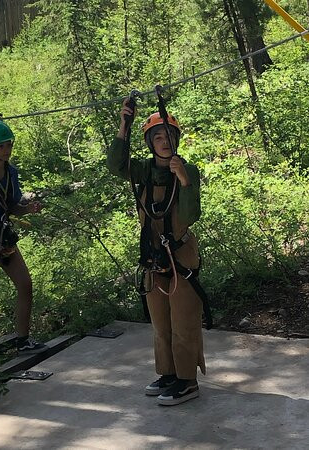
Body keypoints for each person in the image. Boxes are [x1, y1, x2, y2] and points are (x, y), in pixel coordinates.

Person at [106, 99, 209, 406]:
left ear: (176, 140)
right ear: (151, 143)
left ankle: (187, 380)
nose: (165, 142)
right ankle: (167, 373)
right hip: (153, 256)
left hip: (181, 258)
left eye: (169, 136)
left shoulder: (187, 169)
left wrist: (184, 180)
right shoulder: (142, 170)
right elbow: (116, 166)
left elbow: (190, 215)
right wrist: (124, 125)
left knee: (183, 321)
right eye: (159, 138)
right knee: (160, 322)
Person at [0, 120, 47, 355]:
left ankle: (23, 340)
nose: (7, 150)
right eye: (2, 146)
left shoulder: (11, 172)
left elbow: (11, 206)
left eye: (9, 145)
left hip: (2, 237)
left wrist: (28, 209)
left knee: (25, 284)